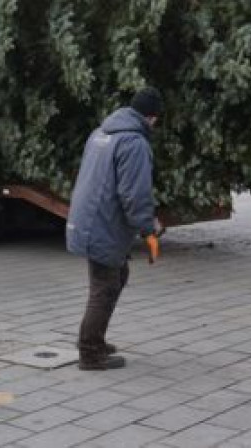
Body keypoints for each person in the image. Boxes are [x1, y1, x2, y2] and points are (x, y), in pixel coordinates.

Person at [66, 86, 163, 371]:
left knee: (116, 276)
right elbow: (134, 194)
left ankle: (95, 339)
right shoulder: (134, 143)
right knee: (105, 286)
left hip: (88, 219)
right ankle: (90, 352)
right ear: (152, 117)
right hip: (102, 224)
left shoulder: (101, 133)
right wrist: (148, 228)